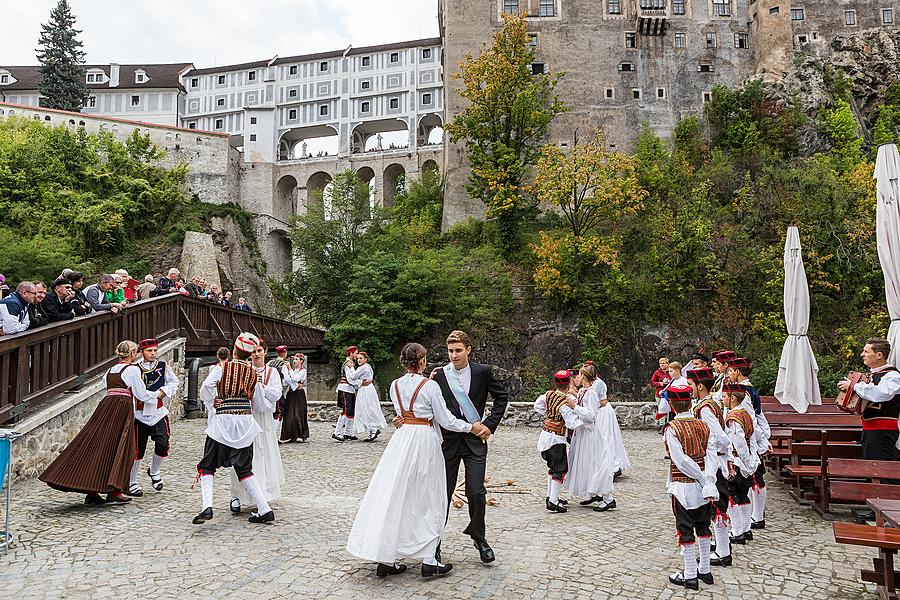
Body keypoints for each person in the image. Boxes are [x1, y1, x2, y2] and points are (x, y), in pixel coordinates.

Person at [346, 342, 489, 578]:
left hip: (402, 442)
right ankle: (429, 560)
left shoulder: (394, 385)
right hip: (424, 441)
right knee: (430, 497)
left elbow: (401, 415)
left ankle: (386, 558)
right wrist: (470, 427)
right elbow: (446, 420)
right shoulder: (430, 386)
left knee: (396, 495)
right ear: (422, 361)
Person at [39, 340, 154, 504]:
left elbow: (106, 386)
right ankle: (114, 490)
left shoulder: (109, 371)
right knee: (121, 447)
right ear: (133, 354)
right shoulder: (133, 370)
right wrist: (158, 395)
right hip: (121, 410)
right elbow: (141, 394)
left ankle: (93, 492)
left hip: (106, 407)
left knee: (98, 446)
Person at [429, 330, 509, 563]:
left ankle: (479, 537)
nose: (454, 355)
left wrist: (490, 425)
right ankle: (434, 543)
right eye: (450, 351)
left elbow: (501, 397)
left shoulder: (483, 372)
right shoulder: (439, 375)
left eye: (458, 350)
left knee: (476, 492)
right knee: (442, 493)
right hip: (448, 441)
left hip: (475, 441)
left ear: (468, 350)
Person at [193, 332, 275, 525]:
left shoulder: (223, 367)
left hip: (223, 422)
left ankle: (207, 506)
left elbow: (206, 385)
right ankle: (264, 509)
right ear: (249, 354)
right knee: (245, 469)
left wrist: (212, 400)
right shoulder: (253, 373)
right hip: (245, 423)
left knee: (207, 466)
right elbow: (260, 401)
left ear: (234, 350)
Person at [663, 385, 718, 590]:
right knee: (703, 526)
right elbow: (711, 455)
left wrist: (703, 479)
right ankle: (705, 569)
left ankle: (690, 575)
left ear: (672, 404)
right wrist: (709, 480)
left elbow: (681, 461)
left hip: (683, 487)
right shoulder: (704, 426)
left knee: (685, 529)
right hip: (704, 488)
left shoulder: (672, 429)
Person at [230, 340, 285, 513]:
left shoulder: (272, 372)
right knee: (241, 454)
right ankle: (237, 494)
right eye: (253, 351)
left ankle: (263, 493)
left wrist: (260, 385)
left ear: (265, 351)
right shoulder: (243, 370)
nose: (256, 354)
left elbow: (276, 394)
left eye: (259, 350)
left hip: (263, 418)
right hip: (245, 416)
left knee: (263, 454)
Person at [687, 367, 733, 566]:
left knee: (717, 507)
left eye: (691, 386)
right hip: (715, 459)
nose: (689, 390)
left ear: (699, 386)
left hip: (714, 462)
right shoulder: (709, 404)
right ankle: (721, 546)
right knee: (717, 506)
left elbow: (719, 437)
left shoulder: (705, 409)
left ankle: (723, 552)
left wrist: (718, 454)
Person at [127, 339, 179, 497]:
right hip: (140, 415)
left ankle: (154, 471)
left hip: (158, 413)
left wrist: (164, 391)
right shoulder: (135, 369)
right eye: (149, 351)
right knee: (137, 450)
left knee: (163, 444)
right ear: (142, 352)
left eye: (155, 350)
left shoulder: (163, 366)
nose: (153, 354)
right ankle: (132, 482)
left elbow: (174, 382)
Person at [726, 356, 770, 530]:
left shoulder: (742, 392)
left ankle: (756, 517)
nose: (729, 374)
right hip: (751, 437)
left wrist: (760, 440)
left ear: (737, 372)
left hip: (747, 439)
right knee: (752, 478)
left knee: (753, 477)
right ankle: (754, 517)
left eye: (731, 371)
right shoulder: (749, 389)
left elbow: (750, 418)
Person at [566, 363, 616, 512]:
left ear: (585, 376)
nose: (577, 377)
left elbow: (591, 415)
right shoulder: (583, 391)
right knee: (587, 464)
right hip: (582, 433)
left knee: (595, 463)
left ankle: (608, 498)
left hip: (590, 434)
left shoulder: (592, 393)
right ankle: (594, 492)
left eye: (580, 375)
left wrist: (574, 407)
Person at [534, 370, 583, 513]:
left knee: (552, 468)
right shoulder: (565, 403)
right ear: (569, 384)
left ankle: (550, 496)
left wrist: (549, 416)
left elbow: (537, 406)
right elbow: (572, 423)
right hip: (556, 439)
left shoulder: (548, 395)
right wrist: (587, 422)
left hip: (545, 437)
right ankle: (553, 502)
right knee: (560, 469)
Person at [721, 383, 759, 544]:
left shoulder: (734, 418)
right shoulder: (746, 414)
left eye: (724, 397)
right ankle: (746, 528)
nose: (722, 400)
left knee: (732, 495)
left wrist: (746, 461)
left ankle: (737, 531)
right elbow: (753, 438)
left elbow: (739, 442)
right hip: (747, 459)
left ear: (733, 398)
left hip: (738, 462)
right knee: (743, 495)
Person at [591, 365, 629, 478]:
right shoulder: (593, 384)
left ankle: (612, 466)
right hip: (599, 411)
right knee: (601, 439)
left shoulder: (597, 383)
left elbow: (592, 399)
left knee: (606, 438)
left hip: (603, 412)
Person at [353, 351, 387, 442]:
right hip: (368, 388)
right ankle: (373, 430)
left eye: (361, 358)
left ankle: (373, 430)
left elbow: (353, 377)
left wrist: (350, 368)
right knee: (370, 408)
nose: (359, 360)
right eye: (357, 359)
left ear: (366, 359)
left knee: (367, 408)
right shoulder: (368, 366)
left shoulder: (362, 368)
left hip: (365, 390)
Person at [281, 353, 310, 443]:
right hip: (291, 393)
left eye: (297, 359)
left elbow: (293, 378)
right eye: (294, 359)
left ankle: (300, 434)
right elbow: (286, 380)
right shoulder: (292, 370)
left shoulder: (302, 371)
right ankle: (291, 435)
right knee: (289, 414)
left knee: (298, 414)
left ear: (301, 361)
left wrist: (289, 370)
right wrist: (295, 384)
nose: (294, 361)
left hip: (299, 394)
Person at [333, 346, 360, 442]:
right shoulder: (348, 364)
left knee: (351, 411)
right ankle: (337, 432)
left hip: (350, 390)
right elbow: (350, 379)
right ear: (351, 353)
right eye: (356, 353)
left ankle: (348, 433)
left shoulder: (351, 364)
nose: (357, 355)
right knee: (346, 410)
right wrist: (360, 383)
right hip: (345, 389)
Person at [267, 345, 290, 439]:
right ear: (285, 353)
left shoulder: (270, 363)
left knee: (271, 412)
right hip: (277, 391)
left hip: (268, 390)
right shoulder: (283, 365)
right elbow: (286, 380)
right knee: (279, 413)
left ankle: (270, 434)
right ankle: (273, 436)